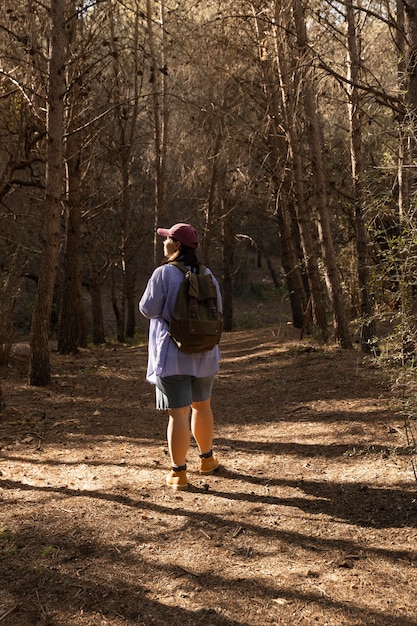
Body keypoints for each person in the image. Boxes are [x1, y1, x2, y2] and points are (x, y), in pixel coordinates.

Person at [139, 223, 221, 491]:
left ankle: (178, 473)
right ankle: (207, 460)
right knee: (202, 405)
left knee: (178, 413)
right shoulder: (208, 274)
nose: (163, 243)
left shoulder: (163, 274)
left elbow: (147, 309)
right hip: (206, 353)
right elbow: (217, 309)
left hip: (173, 353)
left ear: (176, 245)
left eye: (167, 239)